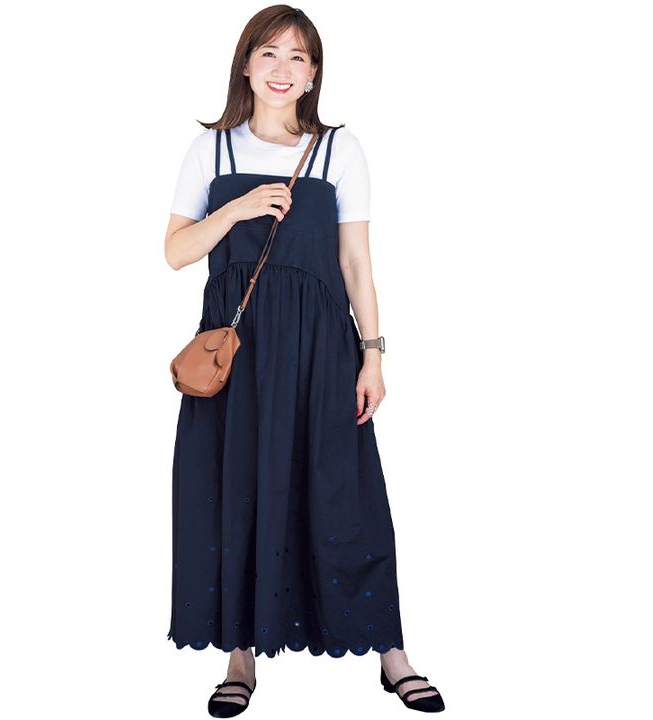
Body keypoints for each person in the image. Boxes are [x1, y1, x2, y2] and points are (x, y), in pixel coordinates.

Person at [164, 6, 445, 716]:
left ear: (314, 73)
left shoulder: (338, 150)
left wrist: (373, 356)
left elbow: (356, 264)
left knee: (346, 495)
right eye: (269, 53)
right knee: (236, 492)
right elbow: (175, 252)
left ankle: (391, 653)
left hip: (321, 348)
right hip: (238, 355)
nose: (282, 69)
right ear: (245, 65)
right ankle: (240, 658)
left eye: (298, 57)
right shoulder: (211, 152)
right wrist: (236, 210)